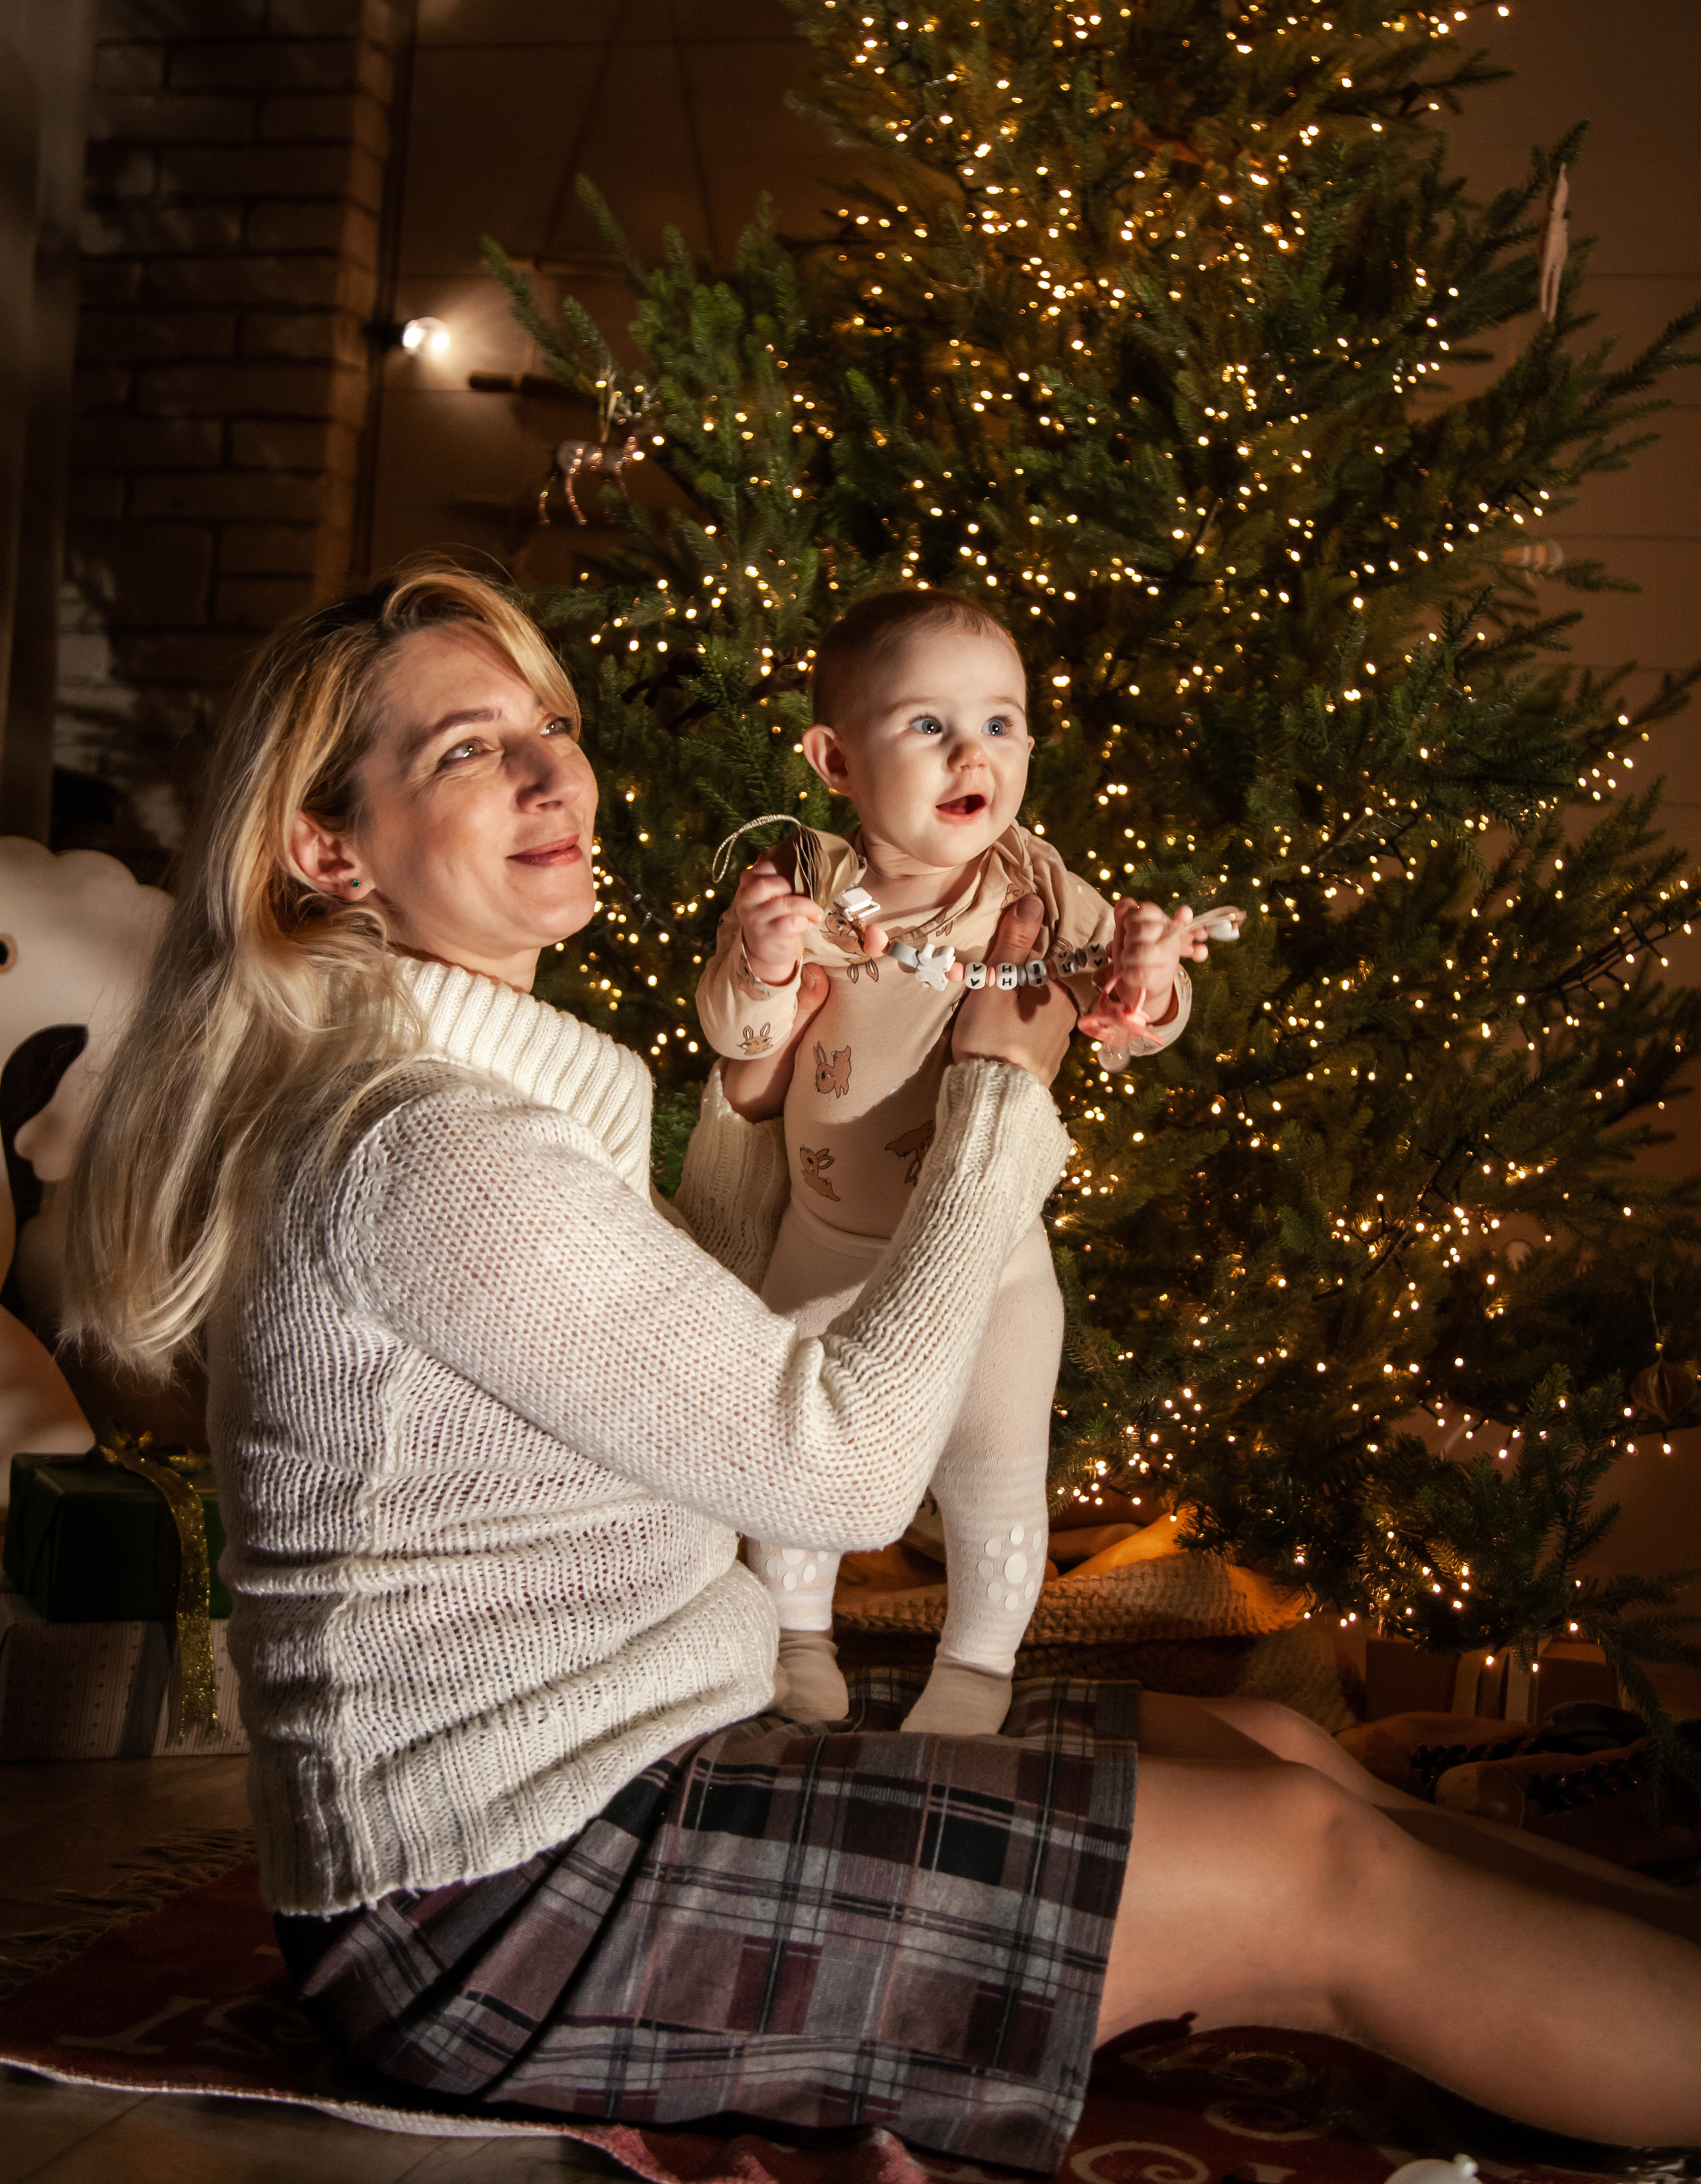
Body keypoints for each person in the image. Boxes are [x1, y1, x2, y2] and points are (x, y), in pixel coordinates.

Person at [60, 562, 1701, 2163]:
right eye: (466, 748)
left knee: (1267, 1753)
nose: (555, 768)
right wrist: (998, 1091)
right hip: (498, 1903)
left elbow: (688, 1327)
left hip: (655, 1733)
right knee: (1303, 1869)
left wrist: (748, 1062)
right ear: (323, 850)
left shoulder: (460, 1087)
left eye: (544, 722)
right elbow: (841, 1467)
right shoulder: (422, 1145)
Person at [696, 588, 1219, 1737]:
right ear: (835, 758)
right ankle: (796, 1640)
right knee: (792, 1452)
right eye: (927, 726)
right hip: (824, 1243)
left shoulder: (1035, 890)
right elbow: (737, 1047)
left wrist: (1144, 971)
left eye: (1002, 722)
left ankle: (975, 1674)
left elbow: (1136, 1019)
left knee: (993, 1476)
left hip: (993, 1265)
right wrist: (765, 971)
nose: (971, 751)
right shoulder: (808, 889)